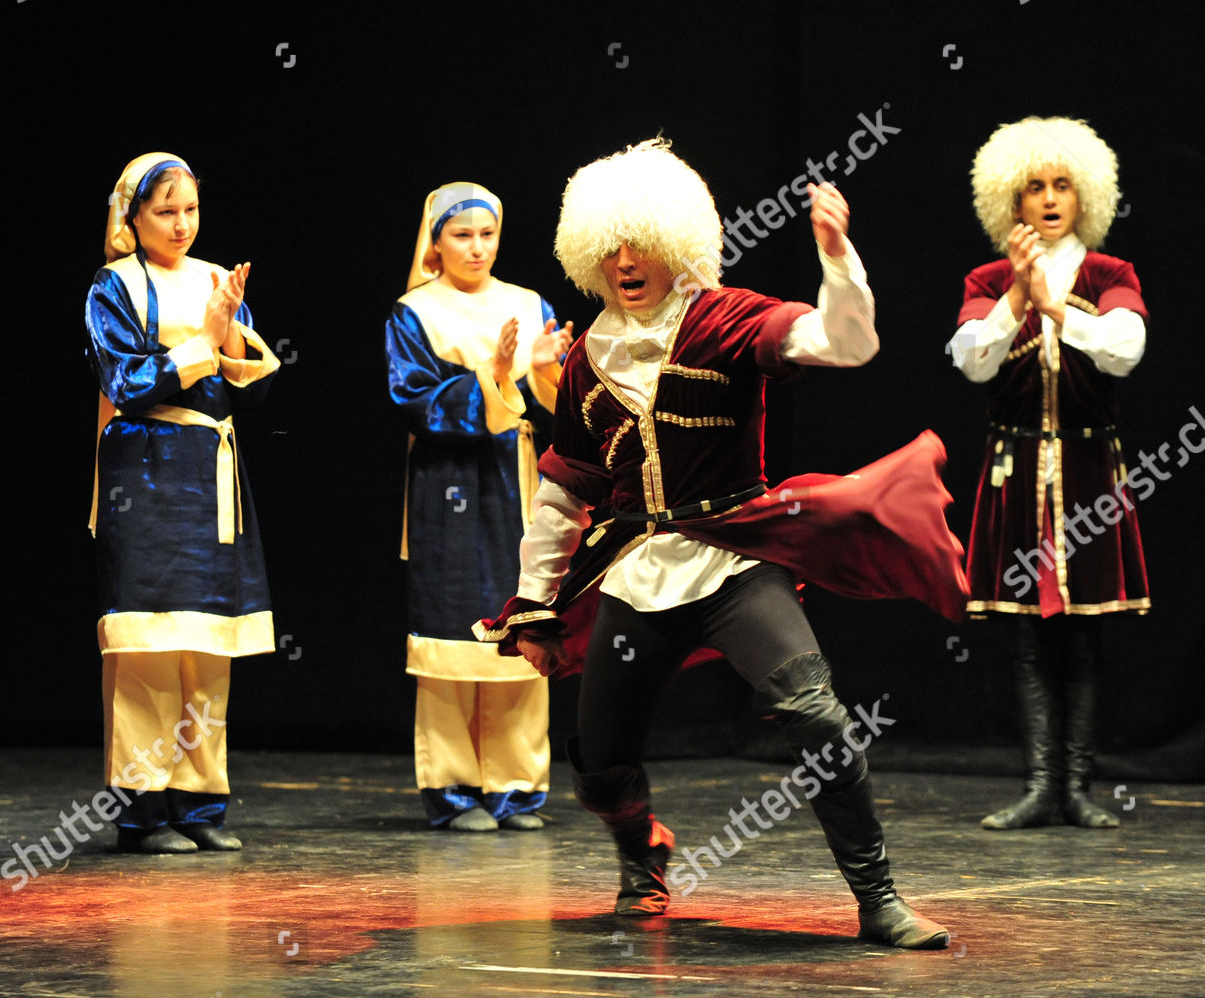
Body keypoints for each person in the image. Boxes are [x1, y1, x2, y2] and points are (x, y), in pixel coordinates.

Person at [477, 140, 963, 948]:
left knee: (816, 717)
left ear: (679, 244)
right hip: (636, 577)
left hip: (734, 564)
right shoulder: (584, 361)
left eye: (642, 242)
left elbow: (845, 343)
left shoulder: (725, 319)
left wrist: (838, 261)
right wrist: (533, 602)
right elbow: (565, 489)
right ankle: (643, 863)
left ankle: (879, 898)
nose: (626, 261)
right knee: (597, 766)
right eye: (610, 247)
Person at [948, 117, 1147, 830]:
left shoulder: (1109, 274)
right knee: (1031, 631)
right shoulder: (989, 279)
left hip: (1089, 466)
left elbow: (1127, 347)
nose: (1050, 197)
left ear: (1085, 195)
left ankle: (1077, 786)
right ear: (1013, 201)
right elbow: (972, 358)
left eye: (1063, 184)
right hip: (1019, 467)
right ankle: (1041, 784)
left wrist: (1057, 304)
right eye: (1035, 186)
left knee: (1085, 630)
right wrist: (1016, 300)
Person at [86, 152, 279, 853]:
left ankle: (199, 800)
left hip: (211, 471)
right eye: (165, 210)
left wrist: (227, 328)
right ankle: (142, 807)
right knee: (149, 642)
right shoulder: (115, 285)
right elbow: (126, 377)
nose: (180, 223)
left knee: (206, 644)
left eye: (190, 209)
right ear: (132, 216)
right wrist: (202, 341)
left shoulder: (215, 280)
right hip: (146, 468)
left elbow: (253, 387)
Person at [387, 182, 573, 832]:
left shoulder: (528, 303)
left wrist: (549, 371)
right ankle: (455, 787)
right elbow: (416, 401)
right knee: (451, 628)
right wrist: (497, 378)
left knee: (522, 620)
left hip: (517, 479)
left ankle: (517, 785)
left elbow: (558, 406)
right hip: (449, 484)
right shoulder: (415, 312)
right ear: (434, 240)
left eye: (486, 234)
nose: (476, 247)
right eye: (461, 234)